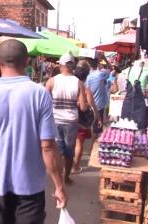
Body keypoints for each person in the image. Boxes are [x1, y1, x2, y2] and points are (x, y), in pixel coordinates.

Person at [0, 39, 67, 223]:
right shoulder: (39, 94)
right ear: (27, 61)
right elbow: (47, 146)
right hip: (31, 186)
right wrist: (59, 186)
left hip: (0, 184)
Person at [46, 53, 87, 184]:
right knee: (69, 152)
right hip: (71, 122)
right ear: (72, 66)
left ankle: (57, 179)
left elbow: (44, 103)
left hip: (55, 121)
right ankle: (66, 177)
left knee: (57, 151)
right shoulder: (79, 83)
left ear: (60, 65)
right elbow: (83, 107)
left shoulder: (51, 81)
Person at [72, 61, 102, 174]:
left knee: (69, 144)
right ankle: (75, 167)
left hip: (69, 118)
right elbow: (92, 105)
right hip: (82, 120)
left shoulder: (70, 87)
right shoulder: (85, 89)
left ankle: (66, 165)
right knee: (79, 144)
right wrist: (98, 118)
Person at [86, 53, 112, 135]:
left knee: (89, 130)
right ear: (97, 63)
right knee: (97, 132)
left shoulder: (85, 76)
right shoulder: (100, 74)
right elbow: (111, 68)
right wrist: (104, 58)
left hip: (88, 106)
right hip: (99, 106)